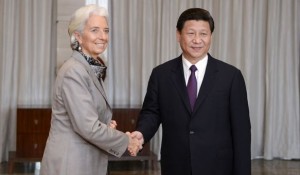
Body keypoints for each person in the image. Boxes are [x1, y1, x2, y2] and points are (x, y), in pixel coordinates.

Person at [131, 8, 251, 175]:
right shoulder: (161, 74)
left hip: (218, 167)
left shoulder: (231, 77)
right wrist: (140, 134)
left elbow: (241, 133)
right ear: (178, 35)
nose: (197, 40)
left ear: (211, 37)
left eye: (203, 34)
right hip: (176, 165)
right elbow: (152, 112)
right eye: (190, 33)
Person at [41, 5, 141, 175]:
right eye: (95, 30)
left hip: (84, 162)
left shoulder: (91, 68)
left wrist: (105, 125)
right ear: (78, 37)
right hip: (71, 164)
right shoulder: (74, 70)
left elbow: (88, 117)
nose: (103, 37)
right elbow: (88, 128)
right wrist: (127, 141)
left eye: (106, 30)